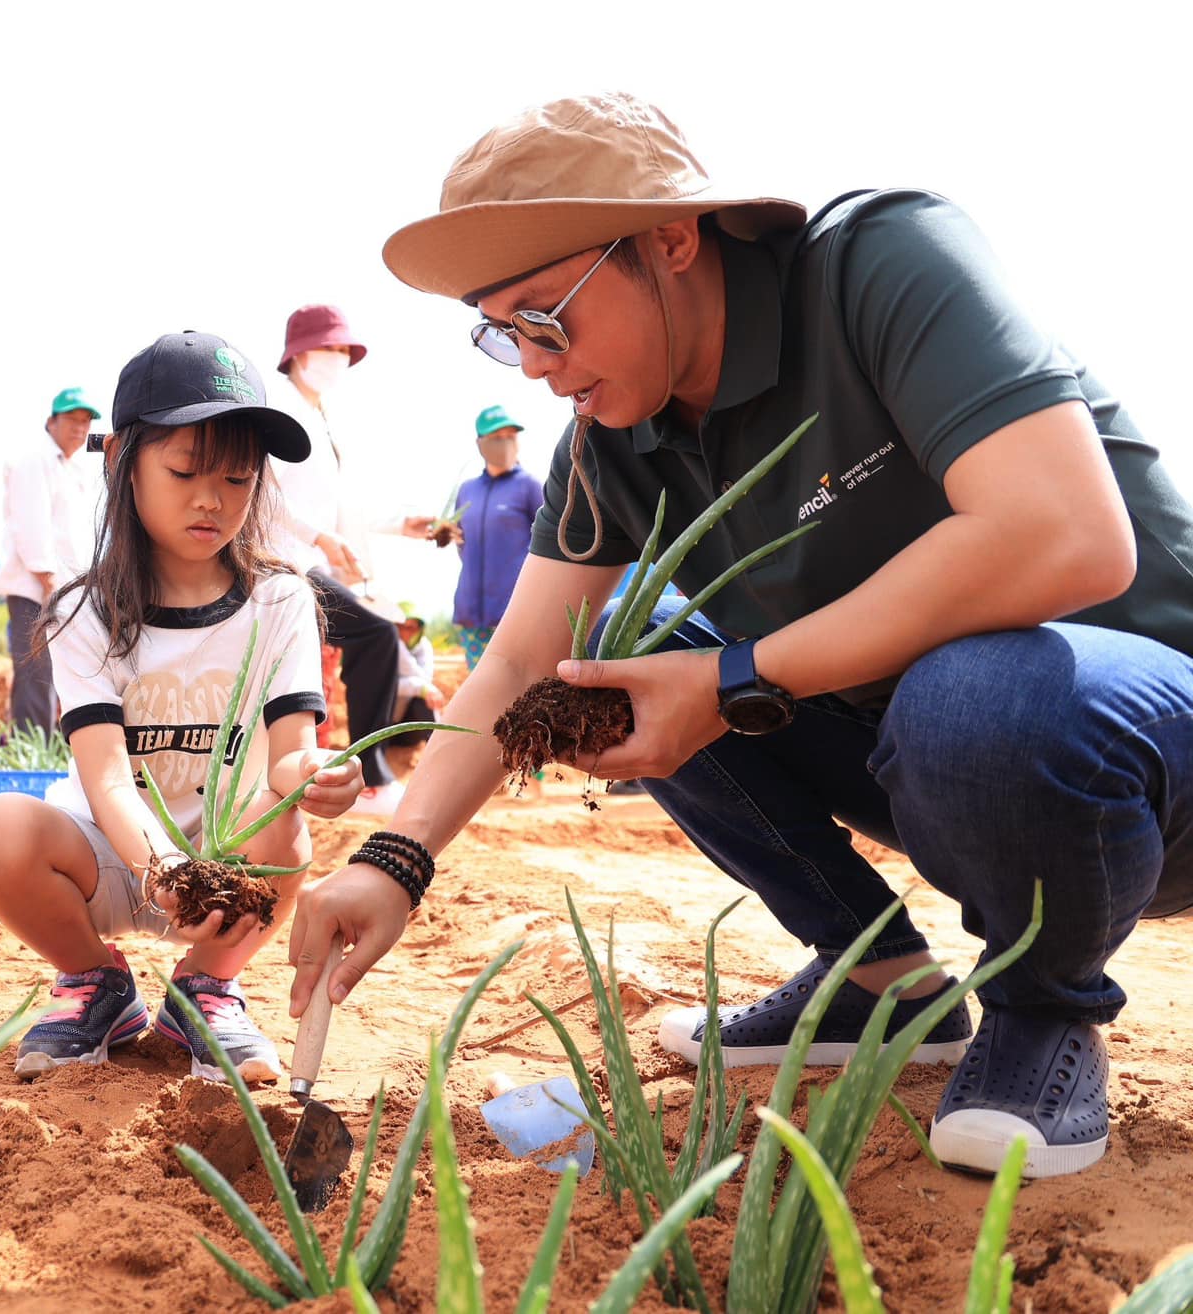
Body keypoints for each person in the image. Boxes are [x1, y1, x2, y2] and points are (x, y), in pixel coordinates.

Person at [290, 91, 1193, 1181]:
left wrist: (733, 677)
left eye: (544, 313)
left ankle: (1042, 1012)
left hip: (1129, 748)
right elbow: (525, 659)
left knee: (972, 688)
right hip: (935, 755)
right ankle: (877, 985)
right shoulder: (612, 436)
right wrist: (394, 859)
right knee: (610, 672)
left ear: (671, 240)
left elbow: (1064, 536)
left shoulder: (876, 265)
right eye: (499, 331)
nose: (532, 361)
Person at [0, 330, 365, 1085]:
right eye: (184, 471)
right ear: (122, 460)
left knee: (288, 827)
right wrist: (163, 870)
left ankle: (206, 986)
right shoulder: (83, 612)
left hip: (229, 864)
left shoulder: (279, 602)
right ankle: (97, 980)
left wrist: (315, 772)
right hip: (113, 857)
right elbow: (108, 779)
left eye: (239, 479)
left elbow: (290, 752)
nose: (212, 499)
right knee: (0, 830)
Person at [270, 304, 422, 817]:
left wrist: (401, 525)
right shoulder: (279, 412)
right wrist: (322, 539)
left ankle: (341, 774)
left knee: (323, 662)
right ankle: (371, 777)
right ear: (297, 353)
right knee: (375, 634)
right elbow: (259, 494)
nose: (337, 358)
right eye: (328, 348)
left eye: (343, 351)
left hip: (308, 563)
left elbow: (341, 506)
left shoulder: (319, 417)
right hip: (279, 566)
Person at [0, 388, 103, 734]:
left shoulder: (76, 471)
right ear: (51, 421)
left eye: (86, 422)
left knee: (59, 672)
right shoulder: (34, 461)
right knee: (36, 672)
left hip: (66, 590)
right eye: (72, 419)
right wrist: (49, 582)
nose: (80, 428)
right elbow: (31, 524)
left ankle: (49, 748)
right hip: (38, 589)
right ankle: (31, 750)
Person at [450, 404, 544, 670]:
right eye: (495, 438)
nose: (504, 444)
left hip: (514, 613)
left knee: (515, 688)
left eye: (510, 437)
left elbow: (549, 545)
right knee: (480, 688)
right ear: (480, 443)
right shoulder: (467, 491)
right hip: (471, 613)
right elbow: (462, 545)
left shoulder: (530, 487)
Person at [393, 603, 442, 725]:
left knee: (426, 697)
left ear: (419, 630)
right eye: (401, 626)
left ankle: (435, 740)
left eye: (411, 628)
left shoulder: (423, 646)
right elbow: (386, 686)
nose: (405, 632)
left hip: (406, 722)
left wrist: (423, 688)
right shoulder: (384, 646)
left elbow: (425, 679)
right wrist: (398, 645)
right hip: (383, 722)